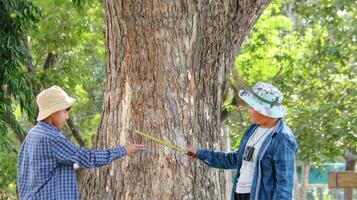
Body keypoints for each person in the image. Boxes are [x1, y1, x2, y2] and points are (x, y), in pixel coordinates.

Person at [17, 86, 145, 200]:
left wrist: (74, 165)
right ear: (52, 113)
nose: (67, 117)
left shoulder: (33, 134)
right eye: (65, 111)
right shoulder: (51, 138)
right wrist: (122, 150)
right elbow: (87, 158)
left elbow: (41, 171)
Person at [187, 82, 298, 200]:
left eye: (252, 107)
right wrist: (200, 153)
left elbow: (284, 184)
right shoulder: (253, 129)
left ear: (264, 110)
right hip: (239, 193)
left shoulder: (282, 138)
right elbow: (235, 159)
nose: (249, 111)